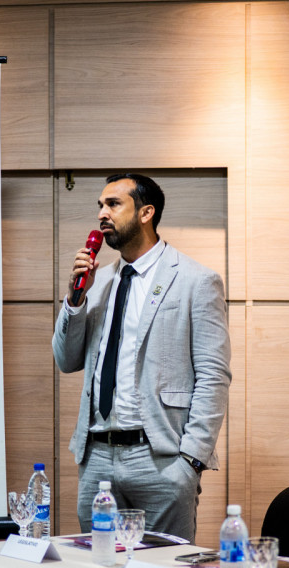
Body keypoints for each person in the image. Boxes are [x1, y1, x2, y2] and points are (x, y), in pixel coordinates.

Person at [52, 173, 231, 541]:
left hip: (161, 460)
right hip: (97, 456)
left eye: (113, 204)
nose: (103, 214)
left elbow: (214, 375)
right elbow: (66, 360)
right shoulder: (97, 281)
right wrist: (74, 300)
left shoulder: (195, 280)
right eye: (100, 205)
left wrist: (191, 460)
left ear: (146, 212)